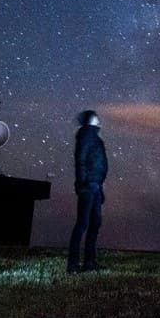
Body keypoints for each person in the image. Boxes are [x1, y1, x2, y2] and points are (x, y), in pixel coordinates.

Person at [67, 109, 108, 273]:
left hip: (96, 185)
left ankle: (90, 262)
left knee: (95, 223)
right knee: (83, 223)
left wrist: (100, 186)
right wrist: (82, 183)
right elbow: (81, 160)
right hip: (88, 185)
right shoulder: (86, 136)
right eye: (95, 117)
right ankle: (72, 264)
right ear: (91, 120)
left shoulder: (95, 137)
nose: (99, 119)